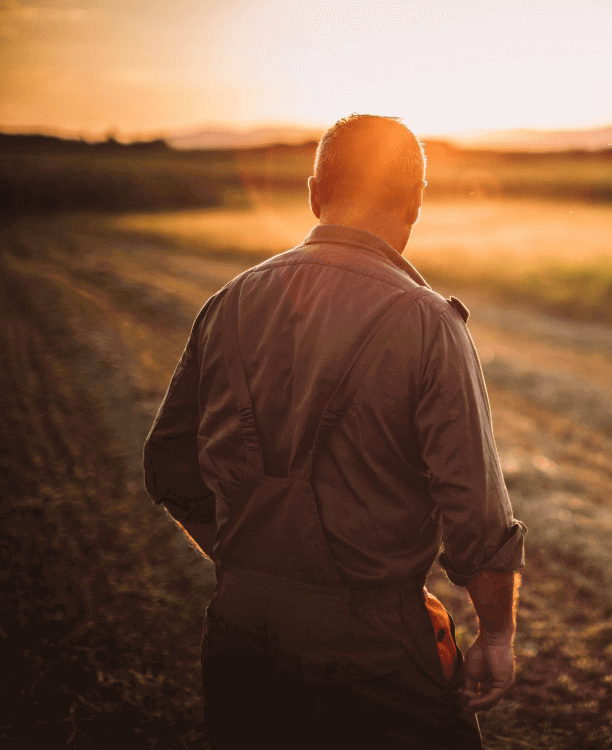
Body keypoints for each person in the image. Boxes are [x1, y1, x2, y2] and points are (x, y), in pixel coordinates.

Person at [143, 114, 526, 749]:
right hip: (377, 647)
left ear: (316, 193)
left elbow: (169, 467)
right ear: (416, 203)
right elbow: (477, 513)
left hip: (242, 634)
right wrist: (497, 636)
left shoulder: (228, 302)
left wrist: (261, 565)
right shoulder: (429, 323)